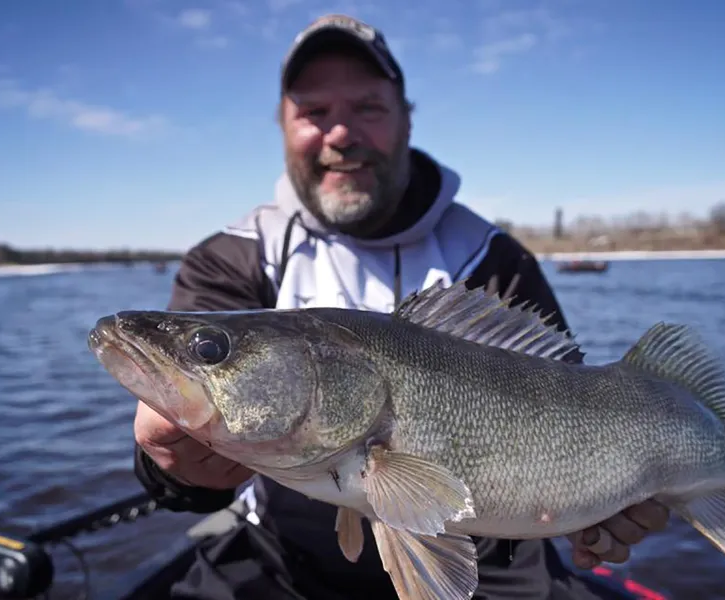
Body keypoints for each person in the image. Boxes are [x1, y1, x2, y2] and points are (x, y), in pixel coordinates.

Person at [132, 13, 669, 600]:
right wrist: (173, 468)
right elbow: (188, 486)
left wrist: (600, 509)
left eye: (367, 107)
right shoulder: (232, 259)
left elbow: (570, 403)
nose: (341, 134)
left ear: (406, 118)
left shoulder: (494, 258)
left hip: (493, 559)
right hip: (285, 559)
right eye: (314, 112)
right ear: (283, 127)